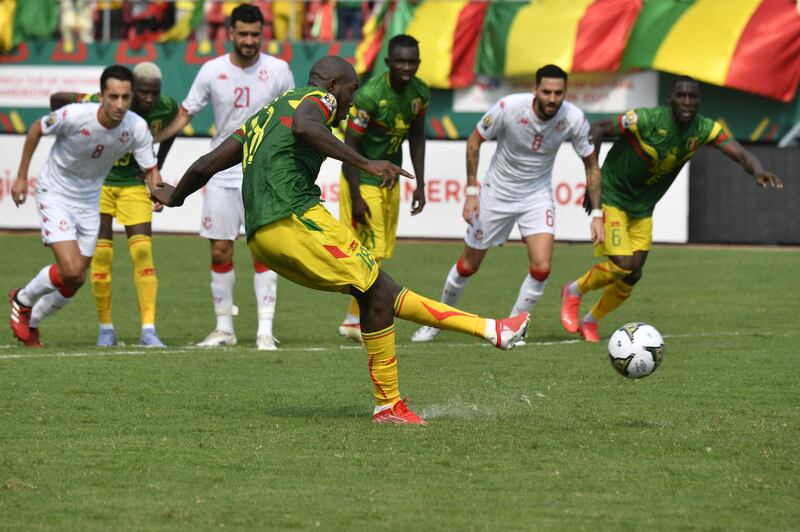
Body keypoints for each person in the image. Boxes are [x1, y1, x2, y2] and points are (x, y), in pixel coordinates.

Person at [151, 56, 530, 425]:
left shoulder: (265, 115)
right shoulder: (317, 100)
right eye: (351, 91)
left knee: (375, 295)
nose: (352, 101)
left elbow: (208, 163)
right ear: (333, 86)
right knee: (381, 290)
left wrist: (177, 195)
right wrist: (364, 162)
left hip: (263, 236)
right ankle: (485, 333)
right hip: (296, 217)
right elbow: (305, 126)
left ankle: (402, 396)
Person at [560, 76, 783, 342]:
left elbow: (741, 154)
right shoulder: (645, 120)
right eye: (681, 96)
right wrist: (592, 179)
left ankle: (591, 320)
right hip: (613, 195)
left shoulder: (703, 129)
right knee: (623, 264)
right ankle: (574, 290)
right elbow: (597, 128)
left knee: (634, 274)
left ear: (698, 101)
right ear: (670, 99)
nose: (687, 102)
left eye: (693, 97)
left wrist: (758, 170)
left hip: (643, 207)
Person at [412, 64, 602, 344]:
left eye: (558, 93)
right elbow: (475, 141)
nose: (552, 98)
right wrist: (472, 191)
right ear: (535, 89)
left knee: (542, 267)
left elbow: (591, 164)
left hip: (537, 196)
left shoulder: (573, 118)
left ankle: (514, 327)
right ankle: (436, 323)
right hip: (496, 193)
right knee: (468, 265)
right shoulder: (509, 107)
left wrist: (597, 212)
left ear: (565, 93)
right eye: (546, 91)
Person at [154, 3, 295, 351]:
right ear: (230, 33)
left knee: (264, 250)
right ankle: (224, 329)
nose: (249, 41)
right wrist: (152, 146)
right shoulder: (211, 70)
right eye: (243, 34)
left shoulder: (279, 70)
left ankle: (264, 330)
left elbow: (292, 120)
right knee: (219, 250)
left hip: (263, 173)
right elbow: (186, 114)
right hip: (220, 173)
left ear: (263, 34)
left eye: (255, 34)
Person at [9, 65, 160, 348]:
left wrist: (157, 191)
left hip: (90, 200)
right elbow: (36, 129)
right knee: (69, 268)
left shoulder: (136, 127)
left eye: (125, 97)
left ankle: (33, 322)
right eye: (113, 97)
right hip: (55, 192)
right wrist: (20, 176)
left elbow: (151, 169)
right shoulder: (75, 115)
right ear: (101, 95)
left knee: (76, 278)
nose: (119, 104)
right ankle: (23, 299)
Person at [50, 62, 179, 348]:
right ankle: (105, 328)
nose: (148, 98)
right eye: (142, 92)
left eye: (153, 93)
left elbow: (174, 127)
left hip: (134, 185)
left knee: (143, 251)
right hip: (100, 185)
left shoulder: (166, 107)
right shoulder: (103, 102)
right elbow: (58, 99)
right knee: (102, 257)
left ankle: (149, 330)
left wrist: (157, 174)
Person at [337, 34, 428, 343]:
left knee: (381, 253)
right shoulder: (370, 95)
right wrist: (357, 194)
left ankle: (352, 318)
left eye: (412, 61)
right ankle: (357, 319)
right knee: (371, 251)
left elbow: (417, 137)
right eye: (400, 61)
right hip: (362, 179)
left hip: (390, 179)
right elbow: (350, 145)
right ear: (388, 63)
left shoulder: (420, 92)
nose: (406, 67)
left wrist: (420, 183)